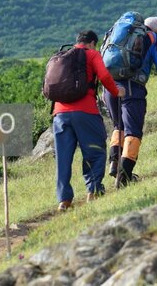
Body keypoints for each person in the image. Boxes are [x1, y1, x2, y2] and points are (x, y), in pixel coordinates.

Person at [103, 16, 157, 185]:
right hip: (133, 87)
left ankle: (114, 164)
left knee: (119, 127)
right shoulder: (153, 38)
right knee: (133, 131)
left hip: (109, 87)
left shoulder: (118, 35)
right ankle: (124, 178)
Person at [53, 30, 125, 210]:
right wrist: (117, 91)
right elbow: (105, 76)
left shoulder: (61, 56)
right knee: (94, 150)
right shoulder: (92, 54)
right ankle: (93, 190)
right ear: (92, 43)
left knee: (63, 158)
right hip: (85, 111)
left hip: (59, 114)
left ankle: (64, 199)